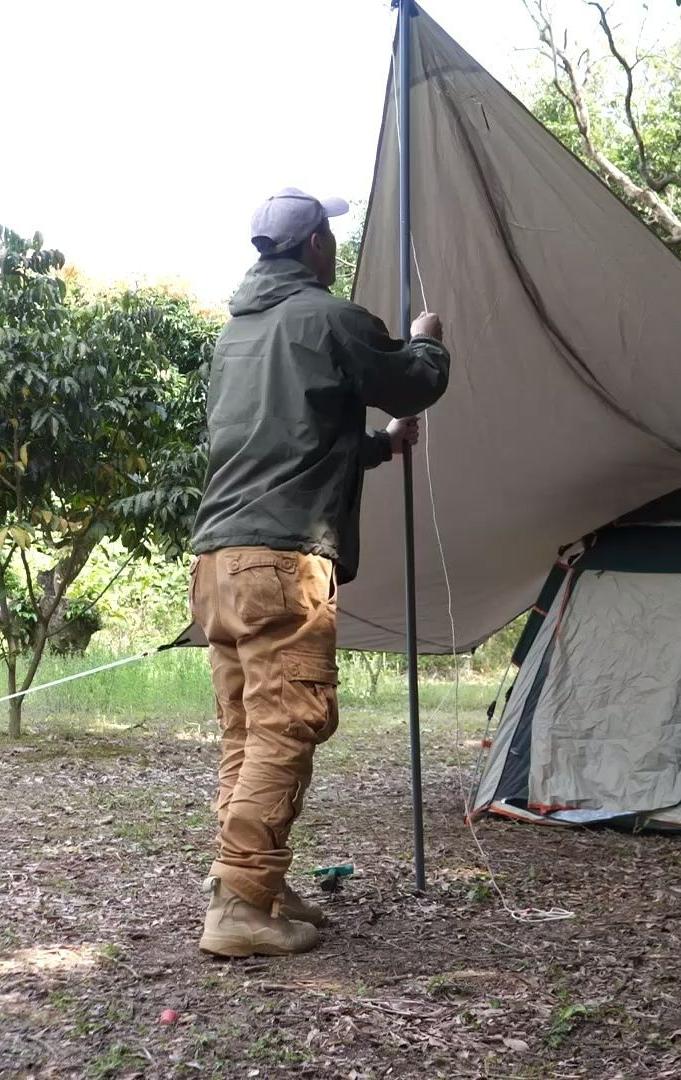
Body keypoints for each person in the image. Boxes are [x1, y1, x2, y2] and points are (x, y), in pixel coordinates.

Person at [189, 187, 451, 957]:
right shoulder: (329, 318)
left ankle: (251, 881)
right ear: (313, 248)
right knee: (284, 730)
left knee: (247, 731)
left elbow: (283, 440)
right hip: (281, 563)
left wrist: (376, 447)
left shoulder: (235, 336)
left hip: (218, 562)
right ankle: (239, 904)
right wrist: (427, 338)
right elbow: (413, 381)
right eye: (329, 236)